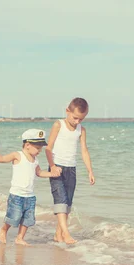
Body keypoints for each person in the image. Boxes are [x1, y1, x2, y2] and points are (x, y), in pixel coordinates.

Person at [0, 129, 60, 245]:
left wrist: (52, 174)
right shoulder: (18, 155)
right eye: (38, 148)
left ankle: (20, 238)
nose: (40, 151)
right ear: (27, 145)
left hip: (30, 196)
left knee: (28, 219)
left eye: (41, 148)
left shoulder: (35, 160)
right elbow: (1, 159)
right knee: (14, 216)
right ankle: (4, 229)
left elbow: (39, 173)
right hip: (17, 195)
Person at [45, 97, 95, 244]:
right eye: (75, 118)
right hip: (57, 168)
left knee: (67, 204)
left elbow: (84, 151)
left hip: (71, 169)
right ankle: (66, 234)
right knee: (60, 199)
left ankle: (58, 235)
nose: (78, 122)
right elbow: (48, 148)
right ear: (67, 111)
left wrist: (90, 171)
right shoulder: (58, 125)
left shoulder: (81, 130)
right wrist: (52, 166)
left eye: (81, 119)